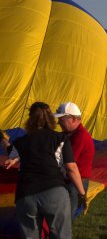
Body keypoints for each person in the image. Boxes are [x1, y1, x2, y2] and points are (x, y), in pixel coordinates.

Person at [2, 102, 86, 239]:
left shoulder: (20, 142)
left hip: (26, 195)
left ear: (29, 119)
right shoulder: (60, 138)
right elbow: (71, 168)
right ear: (51, 118)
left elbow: (11, 151)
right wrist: (82, 194)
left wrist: (2, 139)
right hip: (54, 193)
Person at [54, 102, 95, 218]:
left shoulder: (80, 136)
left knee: (65, 218)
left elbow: (69, 164)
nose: (58, 122)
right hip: (71, 181)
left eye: (61, 119)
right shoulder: (70, 133)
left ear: (72, 119)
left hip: (75, 183)